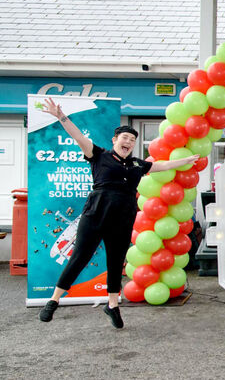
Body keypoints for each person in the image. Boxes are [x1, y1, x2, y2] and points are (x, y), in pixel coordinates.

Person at [38, 98, 200, 328]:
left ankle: (112, 305)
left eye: (132, 140)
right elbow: (78, 137)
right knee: (79, 258)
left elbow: (162, 166)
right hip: (96, 214)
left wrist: (186, 160)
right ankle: (53, 301)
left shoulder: (136, 164)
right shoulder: (99, 155)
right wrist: (61, 116)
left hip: (123, 218)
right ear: (115, 140)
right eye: (125, 138)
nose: (129, 142)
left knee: (115, 263)